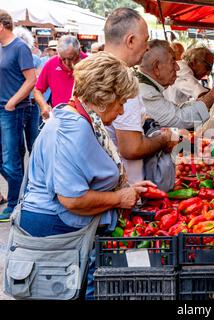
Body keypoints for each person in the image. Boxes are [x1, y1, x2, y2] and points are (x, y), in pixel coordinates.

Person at [17, 51, 153, 299]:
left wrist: (126, 188)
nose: (122, 111)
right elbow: (72, 199)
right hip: (57, 236)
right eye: (120, 102)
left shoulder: (80, 118)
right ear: (103, 99)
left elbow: (84, 174)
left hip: (65, 234)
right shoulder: (74, 128)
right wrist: (120, 199)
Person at [104, 8, 173, 185]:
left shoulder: (92, 72)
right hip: (123, 189)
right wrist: (164, 139)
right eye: (146, 40)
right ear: (131, 40)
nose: (148, 46)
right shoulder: (122, 80)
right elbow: (131, 148)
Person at [138, 40, 214, 129]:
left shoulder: (148, 88)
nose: (177, 68)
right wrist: (211, 97)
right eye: (173, 63)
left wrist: (206, 100)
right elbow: (178, 119)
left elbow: (175, 109)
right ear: (157, 67)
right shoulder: (147, 92)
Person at [0, 10, 37, 220]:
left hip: (12, 110)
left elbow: (31, 79)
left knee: (11, 160)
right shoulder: (2, 48)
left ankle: (15, 203)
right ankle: (25, 192)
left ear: (1, 25)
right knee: (6, 159)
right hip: (3, 108)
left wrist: (13, 102)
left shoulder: (19, 47)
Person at [34, 35, 87, 121]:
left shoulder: (89, 63)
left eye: (70, 58)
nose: (67, 62)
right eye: (63, 59)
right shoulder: (51, 63)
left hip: (84, 119)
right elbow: (38, 90)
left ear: (78, 51)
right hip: (60, 118)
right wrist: (43, 105)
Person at [13, 26, 42, 154]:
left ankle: (33, 172)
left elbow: (38, 82)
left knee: (33, 143)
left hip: (31, 103)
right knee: (20, 145)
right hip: (18, 104)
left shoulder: (35, 59)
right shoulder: (11, 59)